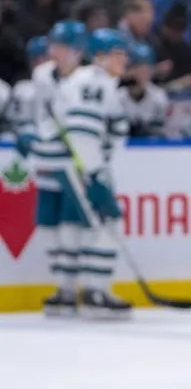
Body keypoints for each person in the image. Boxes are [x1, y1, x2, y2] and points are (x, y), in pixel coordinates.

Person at [28, 22, 132, 317]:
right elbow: (83, 134)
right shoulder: (93, 82)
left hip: (59, 162)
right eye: (118, 54)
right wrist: (95, 174)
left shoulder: (88, 81)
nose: (124, 60)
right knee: (106, 222)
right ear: (99, 56)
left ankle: (67, 291)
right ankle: (95, 292)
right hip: (78, 166)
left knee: (68, 226)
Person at [120, 42, 169, 138]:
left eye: (148, 69)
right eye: (139, 68)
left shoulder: (158, 96)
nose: (144, 74)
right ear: (129, 70)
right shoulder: (117, 94)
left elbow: (160, 133)